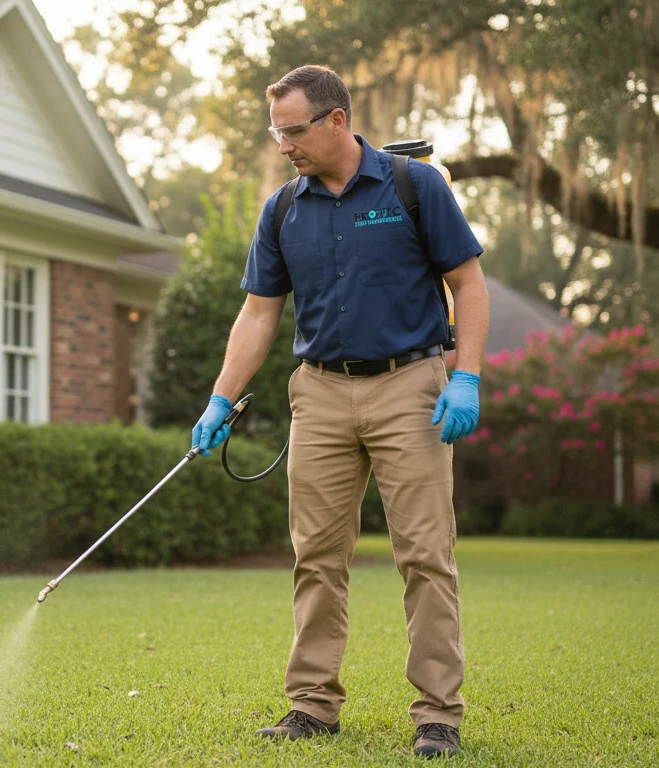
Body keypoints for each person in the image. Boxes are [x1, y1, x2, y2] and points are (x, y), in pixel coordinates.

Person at [191, 65, 490, 759]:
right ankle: (312, 705)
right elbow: (259, 314)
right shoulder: (282, 209)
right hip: (319, 392)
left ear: (335, 120)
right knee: (316, 557)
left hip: (409, 386)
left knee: (424, 555)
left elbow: (467, 283)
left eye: (294, 131)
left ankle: (438, 714)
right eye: (277, 132)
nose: (283, 145)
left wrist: (465, 376)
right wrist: (220, 397)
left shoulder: (414, 187)